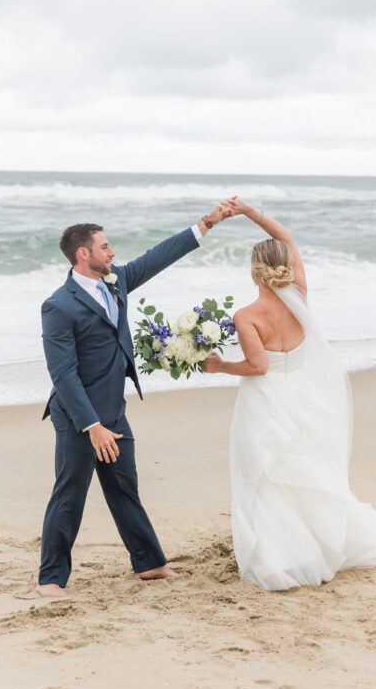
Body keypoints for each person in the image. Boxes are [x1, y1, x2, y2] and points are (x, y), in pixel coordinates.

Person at [204, 197, 376, 591]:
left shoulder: (247, 316)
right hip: (302, 395)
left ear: (254, 273)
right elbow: (286, 236)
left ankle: (275, 560)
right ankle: (311, 547)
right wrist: (249, 211)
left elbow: (258, 367)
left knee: (264, 475)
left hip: (265, 400)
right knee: (303, 472)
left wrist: (221, 366)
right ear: (285, 267)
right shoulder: (299, 293)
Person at [37, 202, 233, 597]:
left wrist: (206, 224)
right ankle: (51, 578)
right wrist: (92, 427)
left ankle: (149, 563)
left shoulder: (116, 281)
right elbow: (63, 374)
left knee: (124, 489)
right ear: (83, 254)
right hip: (79, 417)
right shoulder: (58, 305)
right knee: (70, 495)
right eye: (104, 247)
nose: (112, 252)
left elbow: (157, 257)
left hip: (113, 409)